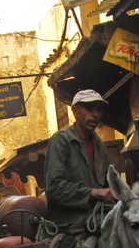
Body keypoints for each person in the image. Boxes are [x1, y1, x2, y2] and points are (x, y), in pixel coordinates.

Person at [44, 89, 114, 234]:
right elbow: (54, 188)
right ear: (75, 111)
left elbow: (112, 180)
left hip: (98, 212)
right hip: (68, 219)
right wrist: (92, 193)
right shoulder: (61, 141)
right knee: (114, 224)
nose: (95, 114)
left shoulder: (98, 145)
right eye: (89, 109)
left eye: (99, 110)